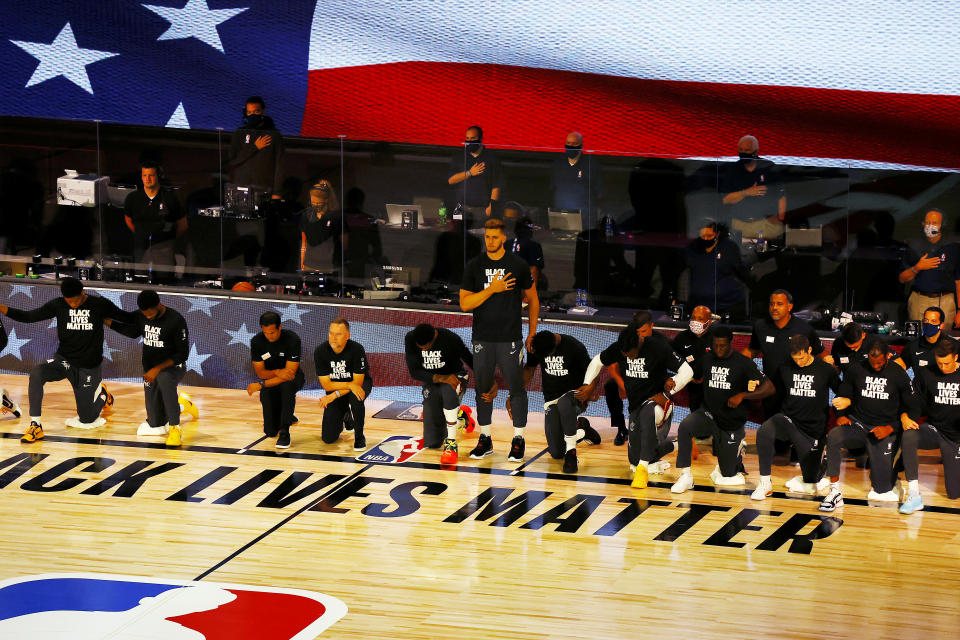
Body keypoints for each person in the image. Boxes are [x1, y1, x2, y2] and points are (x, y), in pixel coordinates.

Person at [0, 277, 136, 441]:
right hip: (64, 361)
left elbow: (128, 318)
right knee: (37, 373)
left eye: (76, 301)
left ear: (83, 293)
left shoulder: (99, 305)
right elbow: (29, 317)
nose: (72, 305)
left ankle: (103, 395)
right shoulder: (58, 304)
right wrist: (1, 307)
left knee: (87, 419)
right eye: (69, 301)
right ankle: (35, 426)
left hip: (88, 367)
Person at [583, 312, 693, 486]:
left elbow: (688, 371)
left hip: (659, 403)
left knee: (647, 415)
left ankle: (643, 470)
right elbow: (597, 361)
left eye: (632, 354)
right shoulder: (623, 346)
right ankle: (678, 444)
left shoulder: (659, 347)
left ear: (639, 342)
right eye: (625, 355)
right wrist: (587, 384)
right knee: (634, 460)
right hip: (636, 405)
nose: (629, 358)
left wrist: (667, 393)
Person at [460, 218, 538, 461]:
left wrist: (532, 333)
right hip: (482, 338)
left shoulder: (518, 265)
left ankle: (518, 439)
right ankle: (485, 439)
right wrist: (492, 289)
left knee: (517, 388)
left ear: (504, 238)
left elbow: (534, 300)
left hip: (510, 338)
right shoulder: (474, 265)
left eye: (495, 237)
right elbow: (465, 304)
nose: (490, 241)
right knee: (483, 389)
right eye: (487, 237)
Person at [671, 325, 774, 493]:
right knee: (685, 426)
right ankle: (685, 477)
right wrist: (673, 382)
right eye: (716, 345)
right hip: (708, 414)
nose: (718, 349)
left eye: (723, 345)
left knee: (728, 475)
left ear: (731, 343)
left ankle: (738, 449)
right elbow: (692, 376)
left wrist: (743, 396)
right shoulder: (707, 358)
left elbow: (769, 388)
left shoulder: (743, 363)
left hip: (731, 421)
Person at [820, 339, 916, 511]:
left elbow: (911, 407)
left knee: (881, 489)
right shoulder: (856, 369)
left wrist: (891, 427)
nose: (875, 367)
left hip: (884, 429)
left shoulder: (899, 374)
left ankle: (892, 477)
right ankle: (834, 491)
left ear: (887, 356)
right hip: (859, 425)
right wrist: (841, 416)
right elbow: (843, 394)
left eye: (879, 363)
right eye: (872, 363)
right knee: (834, 435)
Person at [752, 334, 840, 500]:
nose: (798, 362)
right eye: (795, 358)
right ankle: (764, 483)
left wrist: (844, 403)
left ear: (810, 350)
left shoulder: (826, 370)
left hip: (813, 431)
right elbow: (772, 389)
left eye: (801, 357)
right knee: (764, 430)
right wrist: (755, 385)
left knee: (811, 480)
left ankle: (824, 461)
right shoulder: (785, 367)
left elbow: (842, 392)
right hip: (789, 422)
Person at [106, 290, 199, 446]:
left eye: (150, 314)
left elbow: (182, 354)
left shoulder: (176, 320)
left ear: (159, 305)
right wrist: (106, 321)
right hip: (150, 369)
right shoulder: (142, 315)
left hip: (173, 367)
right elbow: (131, 329)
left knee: (164, 378)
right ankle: (183, 405)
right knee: (155, 422)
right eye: (145, 314)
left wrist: (157, 369)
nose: (148, 317)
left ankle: (175, 428)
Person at [524, 330, 601, 474]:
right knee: (556, 452)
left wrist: (590, 390)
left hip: (574, 396)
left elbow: (594, 371)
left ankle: (571, 454)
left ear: (554, 348)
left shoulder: (574, 347)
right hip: (551, 398)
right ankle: (582, 429)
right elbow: (529, 369)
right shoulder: (538, 345)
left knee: (564, 404)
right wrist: (513, 393)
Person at [742, 289, 824, 419]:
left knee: (794, 431)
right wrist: (738, 367)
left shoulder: (804, 329)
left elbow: (820, 356)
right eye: (771, 304)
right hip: (770, 389)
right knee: (772, 429)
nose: (774, 307)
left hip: (795, 391)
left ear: (789, 307)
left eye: (779, 304)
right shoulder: (760, 326)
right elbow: (752, 351)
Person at [900, 339, 960, 513]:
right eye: (939, 362)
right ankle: (914, 494)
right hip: (935, 430)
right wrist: (905, 415)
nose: (942, 367)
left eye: (947, 363)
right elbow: (914, 403)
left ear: (956, 357)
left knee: (954, 494)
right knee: (909, 435)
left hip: (956, 439)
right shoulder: (927, 373)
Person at [404, 322, 475, 464]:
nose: (423, 349)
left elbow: (469, 359)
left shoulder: (451, 338)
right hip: (433, 380)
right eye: (421, 347)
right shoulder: (410, 338)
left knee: (447, 393)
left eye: (426, 347)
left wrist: (487, 381)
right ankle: (461, 416)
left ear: (434, 337)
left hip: (455, 376)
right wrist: (440, 378)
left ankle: (451, 444)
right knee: (433, 442)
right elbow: (414, 372)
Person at [247, 311, 303, 449]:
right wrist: (277, 372)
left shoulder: (292, 339)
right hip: (271, 379)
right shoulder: (257, 341)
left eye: (272, 332)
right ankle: (287, 415)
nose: (269, 336)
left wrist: (262, 385)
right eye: (265, 333)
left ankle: (285, 432)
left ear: (280, 328)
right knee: (270, 432)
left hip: (293, 379)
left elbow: (289, 374)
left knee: (287, 388)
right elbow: (261, 372)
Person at [315, 318, 373, 450]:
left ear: (347, 336)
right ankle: (346, 415)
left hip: (360, 384)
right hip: (340, 387)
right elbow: (327, 385)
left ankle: (359, 437)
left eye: (338, 334)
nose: (333, 338)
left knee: (356, 398)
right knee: (328, 438)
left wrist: (334, 395)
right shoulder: (320, 351)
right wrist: (348, 385)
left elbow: (357, 383)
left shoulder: (357, 349)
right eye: (331, 333)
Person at [898, 208, 960, 327]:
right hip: (919, 300)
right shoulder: (913, 246)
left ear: (942, 225)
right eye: (928, 222)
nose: (930, 226)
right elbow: (902, 278)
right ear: (923, 223)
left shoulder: (953, 247)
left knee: (943, 342)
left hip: (945, 301)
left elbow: (959, 282)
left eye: (935, 223)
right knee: (918, 339)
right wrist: (917, 267)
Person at [123, 160, 187, 269]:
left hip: (164, 248)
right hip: (141, 247)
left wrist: (167, 238)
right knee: (140, 277)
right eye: (145, 175)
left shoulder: (170, 198)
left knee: (165, 279)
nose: (147, 179)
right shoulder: (133, 198)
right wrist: (141, 233)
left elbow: (183, 224)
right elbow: (128, 220)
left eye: (151, 175)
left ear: (158, 176)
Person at [681, 219, 750, 319]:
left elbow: (742, 272)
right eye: (703, 236)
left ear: (717, 234)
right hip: (699, 307)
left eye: (709, 236)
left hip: (726, 306)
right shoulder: (693, 248)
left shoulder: (729, 247)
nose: (706, 239)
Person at [720, 134, 786, 227]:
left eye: (747, 150)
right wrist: (746, 192)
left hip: (766, 222)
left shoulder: (769, 167)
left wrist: (781, 219)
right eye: (741, 150)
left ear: (756, 151)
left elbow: (781, 196)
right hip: (740, 222)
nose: (744, 153)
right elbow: (725, 199)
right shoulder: (732, 169)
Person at [227, 96, 283, 196]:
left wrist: (277, 192)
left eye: (256, 112)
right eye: (249, 112)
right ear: (246, 113)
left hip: (263, 189)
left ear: (263, 111)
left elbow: (279, 165)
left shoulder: (273, 135)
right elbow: (232, 161)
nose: (252, 115)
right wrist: (254, 147)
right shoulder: (239, 133)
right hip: (240, 188)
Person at [447, 126, 501, 221]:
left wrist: (491, 207)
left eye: (473, 138)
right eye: (467, 138)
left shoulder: (491, 158)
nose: (469, 141)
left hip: (482, 210)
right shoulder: (459, 157)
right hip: (461, 209)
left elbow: (496, 185)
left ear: (481, 139)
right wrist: (470, 173)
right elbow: (451, 180)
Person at [550, 131, 598, 231]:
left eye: (575, 144)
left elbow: (598, 192)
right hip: (560, 216)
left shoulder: (590, 164)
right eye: (568, 144)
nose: (571, 146)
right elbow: (552, 188)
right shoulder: (558, 163)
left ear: (581, 145)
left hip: (584, 219)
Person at [670, 304, 713, 412]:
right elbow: (671, 360)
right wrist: (687, 375)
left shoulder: (716, 338)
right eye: (693, 318)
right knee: (696, 417)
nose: (695, 322)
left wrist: (707, 375)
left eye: (700, 319)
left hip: (713, 387)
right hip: (693, 388)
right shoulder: (681, 338)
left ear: (709, 321)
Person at [299, 180, 346, 271]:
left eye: (318, 203)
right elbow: (303, 243)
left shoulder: (335, 217)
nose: (315, 205)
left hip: (329, 265)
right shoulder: (307, 215)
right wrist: (302, 263)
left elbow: (344, 245)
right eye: (313, 202)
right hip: (310, 264)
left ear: (326, 200)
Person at [899, 306, 957, 374]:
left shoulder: (954, 345)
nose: (928, 324)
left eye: (933, 321)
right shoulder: (912, 346)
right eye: (926, 320)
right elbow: (900, 369)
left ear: (941, 325)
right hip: (920, 383)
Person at [507, 215, 546, 291]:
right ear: (530, 231)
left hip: (507, 286)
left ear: (515, 230)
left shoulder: (507, 244)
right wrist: (530, 295)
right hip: (523, 287)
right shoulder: (534, 246)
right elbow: (534, 269)